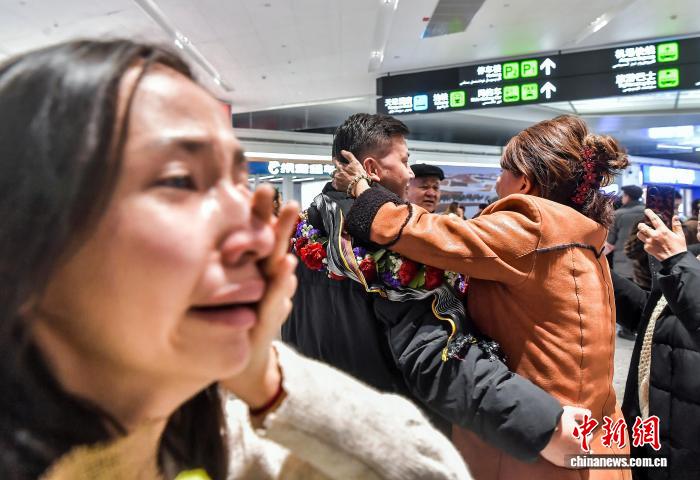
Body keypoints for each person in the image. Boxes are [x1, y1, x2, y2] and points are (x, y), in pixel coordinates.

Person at [0, 40, 471, 480]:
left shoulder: (229, 432)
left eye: (236, 184)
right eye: (180, 180)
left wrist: (267, 379)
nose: (256, 234)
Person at [333, 114, 632, 480]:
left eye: (502, 171)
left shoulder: (533, 222)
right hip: (594, 440)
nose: (496, 182)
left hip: (543, 443)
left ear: (524, 181)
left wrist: (363, 192)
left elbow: (428, 234)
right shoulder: (580, 232)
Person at [283, 113, 584, 467]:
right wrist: (541, 426)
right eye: (404, 161)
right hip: (392, 439)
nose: (410, 173)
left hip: (321, 426)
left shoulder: (305, 231)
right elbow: (435, 358)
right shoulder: (393, 249)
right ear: (371, 169)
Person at [613, 209, 700, 479]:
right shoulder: (692, 257)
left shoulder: (684, 261)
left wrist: (677, 261)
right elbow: (654, 318)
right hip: (655, 416)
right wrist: (598, 268)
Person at [606, 185, 645, 340]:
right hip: (642, 262)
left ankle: (627, 330)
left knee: (625, 295)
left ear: (627, 196)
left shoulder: (619, 214)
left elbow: (610, 243)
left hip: (622, 261)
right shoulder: (647, 212)